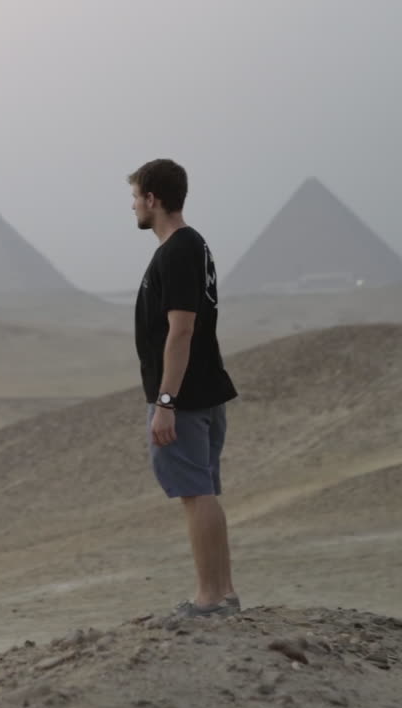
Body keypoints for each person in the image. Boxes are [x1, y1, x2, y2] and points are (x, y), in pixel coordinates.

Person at [129, 158, 241, 618]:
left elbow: (181, 330)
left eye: (136, 197)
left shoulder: (176, 251)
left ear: (153, 199)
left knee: (196, 494)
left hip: (186, 396)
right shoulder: (194, 247)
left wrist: (166, 402)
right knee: (203, 492)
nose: (133, 206)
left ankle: (210, 598)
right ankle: (223, 591)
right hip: (203, 390)